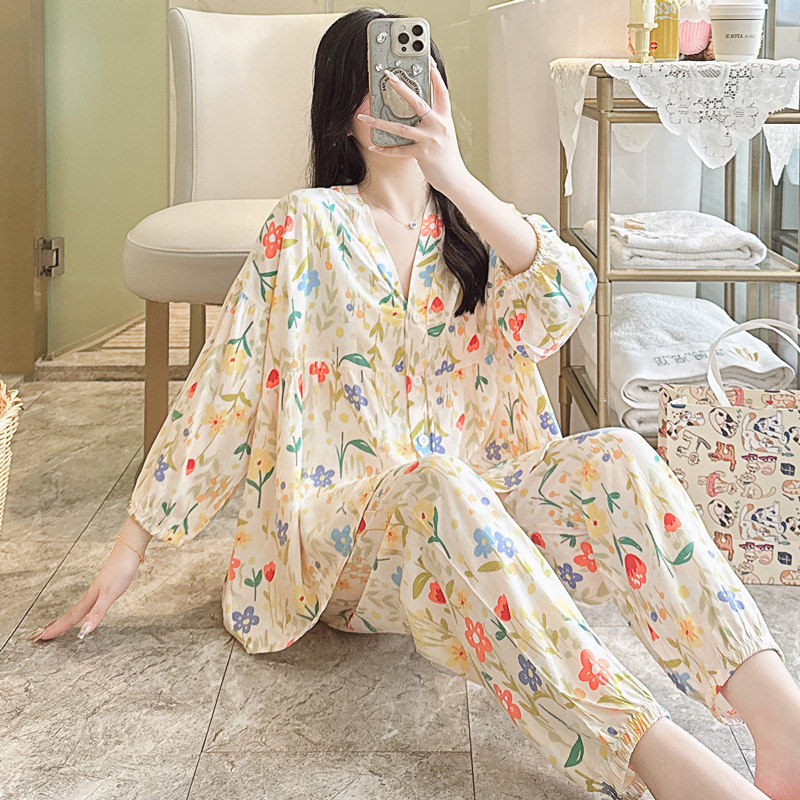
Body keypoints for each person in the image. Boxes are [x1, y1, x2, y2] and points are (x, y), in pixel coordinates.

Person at [27, 8, 800, 800]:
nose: (396, 98)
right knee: (439, 481)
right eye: (373, 85)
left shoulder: (475, 233)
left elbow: (566, 296)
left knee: (620, 457)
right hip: (348, 550)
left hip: (475, 525)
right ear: (341, 114)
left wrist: (455, 175)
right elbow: (223, 382)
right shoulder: (307, 225)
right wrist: (130, 549)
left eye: (410, 78)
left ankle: (784, 729)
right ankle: (671, 770)